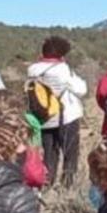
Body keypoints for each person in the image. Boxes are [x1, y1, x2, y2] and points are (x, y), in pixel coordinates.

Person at [28, 36, 88, 187]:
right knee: (70, 153)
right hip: (66, 116)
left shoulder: (32, 69)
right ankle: (67, 186)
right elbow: (81, 90)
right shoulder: (62, 69)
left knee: (49, 154)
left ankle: (47, 185)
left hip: (44, 116)